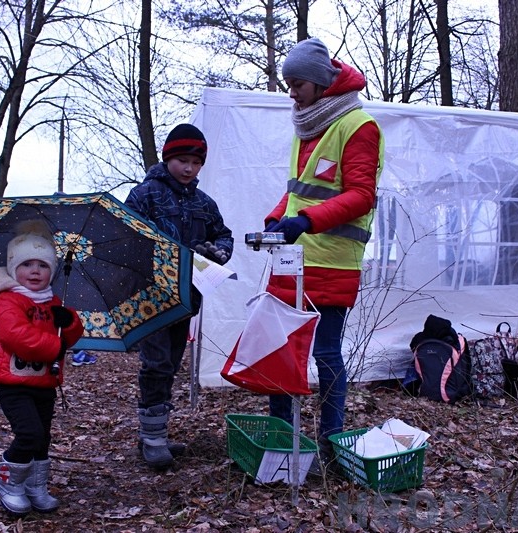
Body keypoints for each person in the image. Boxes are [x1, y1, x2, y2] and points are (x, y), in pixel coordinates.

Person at [263, 38, 383, 466]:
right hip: (291, 258)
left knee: (326, 353)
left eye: (296, 84)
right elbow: (296, 193)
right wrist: (276, 220)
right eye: (288, 84)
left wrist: (306, 223)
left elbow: (361, 196)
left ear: (317, 83)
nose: (291, 93)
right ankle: (281, 440)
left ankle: (331, 444)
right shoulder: (306, 125)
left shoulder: (357, 126)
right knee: (279, 351)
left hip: (332, 261)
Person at [125, 123, 234, 469]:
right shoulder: (145, 195)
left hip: (187, 297)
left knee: (170, 365)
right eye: (182, 160)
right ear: (168, 157)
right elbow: (127, 240)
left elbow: (225, 236)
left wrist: (217, 251)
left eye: (196, 162)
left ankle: (154, 431)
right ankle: (153, 438)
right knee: (156, 364)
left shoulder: (205, 203)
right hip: (150, 297)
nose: (189, 168)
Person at [0, 219, 84, 516]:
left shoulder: (53, 301)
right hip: (14, 383)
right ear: (15, 269)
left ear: (52, 270)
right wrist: (56, 346)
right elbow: (18, 337)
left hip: (44, 383)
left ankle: (35, 486)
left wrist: (71, 322)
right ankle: (8, 481)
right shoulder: (6, 302)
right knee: (29, 434)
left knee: (42, 437)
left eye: (43, 265)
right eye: (28, 265)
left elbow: (69, 336)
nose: (36, 271)